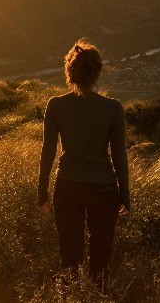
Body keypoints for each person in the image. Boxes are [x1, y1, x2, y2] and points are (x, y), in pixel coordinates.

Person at [38, 38, 130, 293]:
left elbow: (48, 151)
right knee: (101, 256)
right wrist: (125, 195)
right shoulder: (113, 108)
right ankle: (97, 297)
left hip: (67, 186)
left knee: (70, 254)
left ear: (69, 71)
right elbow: (119, 154)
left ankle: (70, 297)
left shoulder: (56, 105)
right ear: (98, 72)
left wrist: (41, 191)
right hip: (104, 188)